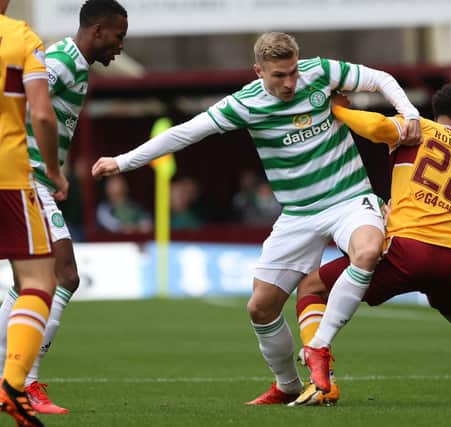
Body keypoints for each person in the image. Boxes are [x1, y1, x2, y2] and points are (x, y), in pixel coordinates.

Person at [91, 31, 422, 405]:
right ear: (258, 72)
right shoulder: (244, 104)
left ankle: (319, 347)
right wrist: (123, 161)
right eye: (279, 75)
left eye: (293, 72)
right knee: (260, 308)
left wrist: (408, 113)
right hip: (298, 214)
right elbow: (184, 134)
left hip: (348, 198)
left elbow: (379, 79)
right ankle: (287, 385)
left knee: (367, 250)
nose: (290, 82)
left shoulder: (320, 72)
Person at [291, 84, 451, 406]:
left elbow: (376, 127)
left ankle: (322, 380)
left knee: (311, 287)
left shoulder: (417, 126)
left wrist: (337, 109)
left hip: (409, 250)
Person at [0, 0, 128, 415]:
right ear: (98, 30)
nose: (120, 46)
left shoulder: (75, 66)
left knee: (34, 283)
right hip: (26, 178)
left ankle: (14, 375)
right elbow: (34, 111)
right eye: (118, 36)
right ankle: (23, 381)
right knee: (61, 274)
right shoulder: (57, 61)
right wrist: (51, 170)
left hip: (30, 177)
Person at [0, 0, 69, 424]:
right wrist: (55, 171)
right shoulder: (22, 37)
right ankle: (12, 381)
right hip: (9, 175)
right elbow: (42, 114)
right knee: (40, 280)